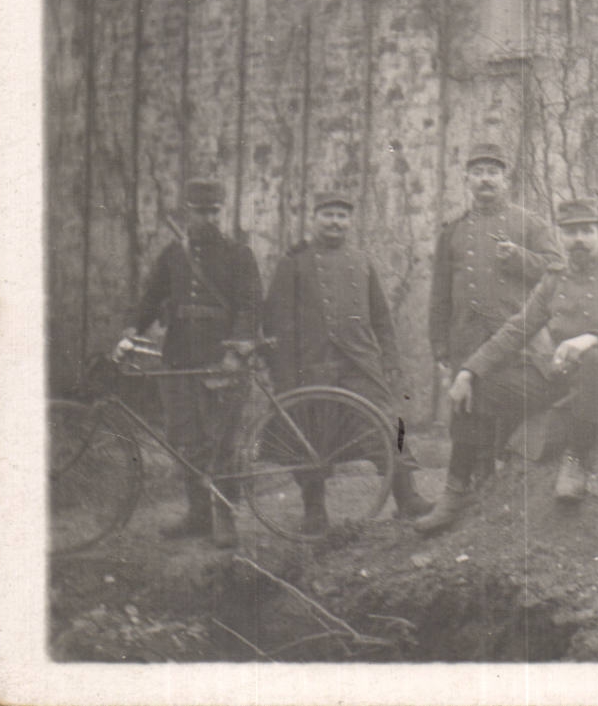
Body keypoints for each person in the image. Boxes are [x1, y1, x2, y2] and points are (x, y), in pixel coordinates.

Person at [416, 198, 598, 532]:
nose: (579, 240)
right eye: (570, 233)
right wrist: (469, 370)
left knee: (594, 360)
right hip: (565, 375)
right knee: (479, 385)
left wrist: (592, 339)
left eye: (587, 231)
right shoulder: (555, 279)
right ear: (561, 237)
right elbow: (517, 328)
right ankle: (456, 490)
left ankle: (576, 459)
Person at [262, 190, 430, 531]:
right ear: (314, 219)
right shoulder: (294, 263)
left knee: (388, 424)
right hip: (312, 366)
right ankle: (314, 510)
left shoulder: (362, 261)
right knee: (312, 437)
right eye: (328, 215)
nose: (335, 222)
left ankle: (407, 497)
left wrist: (391, 360)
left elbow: (381, 317)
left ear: (349, 222)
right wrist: (284, 376)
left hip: (361, 364)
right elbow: (276, 322)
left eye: (342, 216)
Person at [116, 178, 262, 549]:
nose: (207, 217)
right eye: (200, 211)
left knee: (223, 443)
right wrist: (131, 332)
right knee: (184, 439)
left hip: (222, 361)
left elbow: (250, 306)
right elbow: (150, 298)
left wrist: (237, 353)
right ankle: (198, 516)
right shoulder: (172, 255)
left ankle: (224, 516)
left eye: (213, 211)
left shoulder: (238, 254)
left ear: (221, 212)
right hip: (179, 360)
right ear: (188, 211)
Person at [428, 141, 563, 436]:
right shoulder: (453, 230)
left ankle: (504, 481)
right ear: (467, 180)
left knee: (510, 421)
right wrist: (439, 344)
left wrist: (519, 257)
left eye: (492, 172)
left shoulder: (529, 223)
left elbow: (557, 271)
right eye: (478, 172)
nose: (485, 179)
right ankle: (464, 481)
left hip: (516, 342)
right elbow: (440, 294)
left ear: (505, 179)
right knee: (466, 417)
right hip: (467, 338)